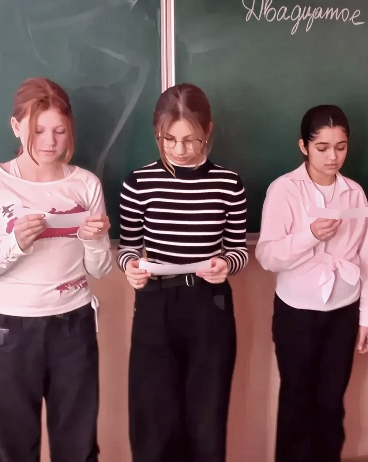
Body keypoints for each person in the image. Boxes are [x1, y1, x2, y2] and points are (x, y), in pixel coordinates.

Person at [0, 77, 112, 462]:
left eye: (59, 131)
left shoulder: (86, 184)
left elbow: (100, 270)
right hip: (9, 328)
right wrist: (15, 244)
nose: (49, 141)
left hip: (73, 325)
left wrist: (95, 239)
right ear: (16, 127)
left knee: (78, 446)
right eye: (38, 131)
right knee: (12, 446)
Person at [117, 82, 248, 462]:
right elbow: (128, 248)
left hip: (209, 302)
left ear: (208, 130)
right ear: (157, 133)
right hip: (156, 302)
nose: (179, 149)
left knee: (206, 418)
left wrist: (227, 264)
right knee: (153, 417)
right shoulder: (138, 183)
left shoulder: (228, 183)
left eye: (190, 140)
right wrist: (131, 268)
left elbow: (239, 249)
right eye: (169, 139)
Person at [255, 104, 368, 462]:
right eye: (322, 148)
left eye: (340, 147)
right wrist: (310, 235)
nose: (332, 157)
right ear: (304, 146)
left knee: (331, 406)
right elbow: (267, 256)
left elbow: (364, 257)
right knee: (296, 405)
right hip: (297, 312)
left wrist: (366, 316)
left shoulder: (354, 193)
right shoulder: (284, 190)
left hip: (343, 312)